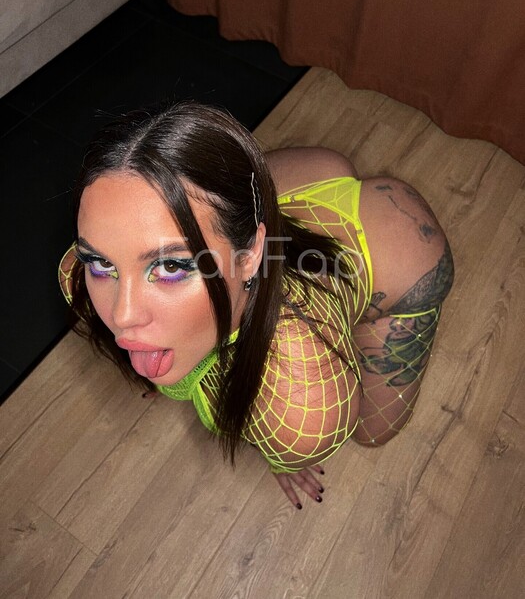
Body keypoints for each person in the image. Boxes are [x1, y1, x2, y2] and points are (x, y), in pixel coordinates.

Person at [58, 102, 454, 509]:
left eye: (172, 266)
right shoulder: (78, 274)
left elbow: (295, 429)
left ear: (250, 255)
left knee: (373, 433)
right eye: (102, 263)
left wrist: (285, 456)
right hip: (292, 192)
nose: (122, 316)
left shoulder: (306, 416)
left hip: (397, 248)